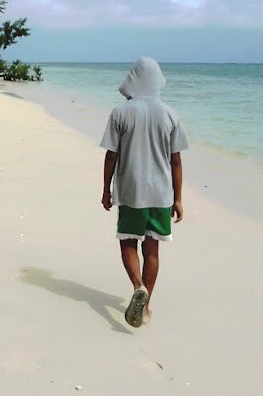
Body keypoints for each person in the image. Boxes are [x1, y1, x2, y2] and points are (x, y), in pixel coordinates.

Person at [99, 57, 188, 328]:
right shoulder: (171, 114)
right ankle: (146, 306)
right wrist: (178, 198)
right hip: (161, 194)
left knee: (128, 243)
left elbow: (111, 156)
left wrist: (106, 190)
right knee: (152, 250)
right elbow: (176, 161)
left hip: (130, 191)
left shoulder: (120, 113)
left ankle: (138, 286)